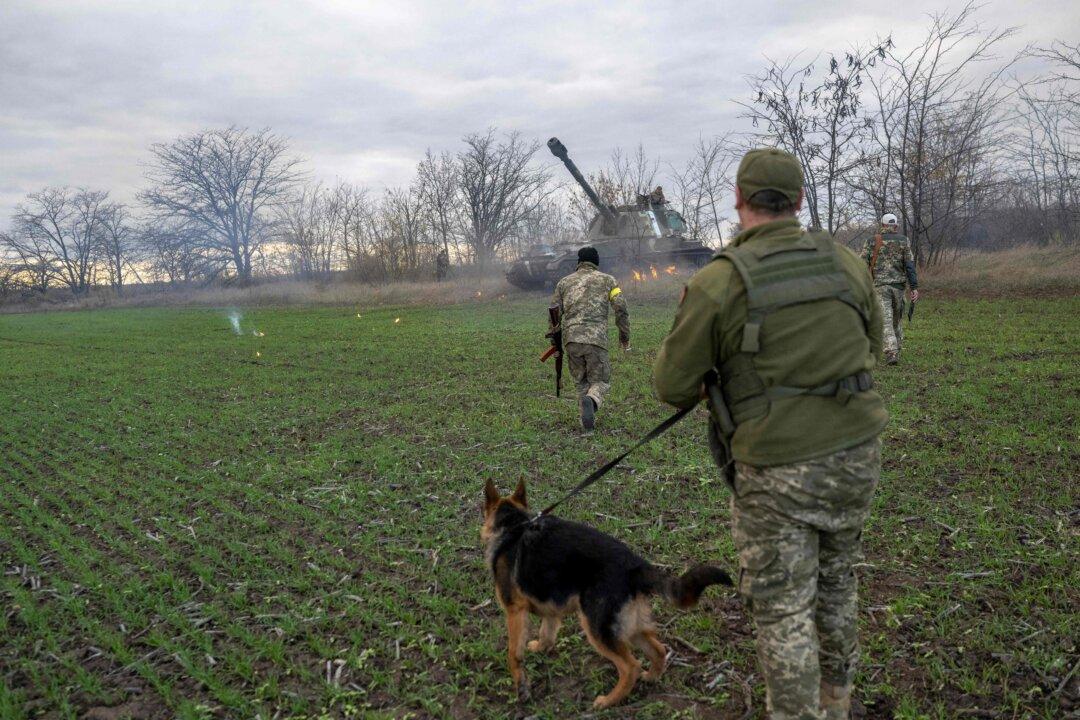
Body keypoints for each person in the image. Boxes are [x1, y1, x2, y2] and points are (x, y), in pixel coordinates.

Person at [652, 148, 889, 719]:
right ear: (800, 200)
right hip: (858, 455)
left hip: (778, 470)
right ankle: (837, 699)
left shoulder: (720, 281)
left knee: (783, 610)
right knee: (837, 584)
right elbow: (875, 345)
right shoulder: (846, 263)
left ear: (739, 200)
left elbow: (670, 384)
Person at [551, 246, 630, 430]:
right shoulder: (608, 281)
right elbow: (621, 308)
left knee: (581, 382)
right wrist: (624, 336)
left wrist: (554, 342)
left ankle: (587, 423)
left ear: (578, 262)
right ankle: (592, 400)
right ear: (596, 262)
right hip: (596, 340)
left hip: (571, 340)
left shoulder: (563, 283)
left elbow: (554, 313)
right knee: (601, 381)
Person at [862, 214, 918, 365]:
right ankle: (895, 349)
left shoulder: (871, 241)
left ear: (882, 224)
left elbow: (861, 264)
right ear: (896, 226)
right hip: (899, 287)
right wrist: (914, 287)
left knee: (886, 320)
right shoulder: (904, 241)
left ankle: (892, 352)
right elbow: (910, 266)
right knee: (895, 319)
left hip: (879, 286)